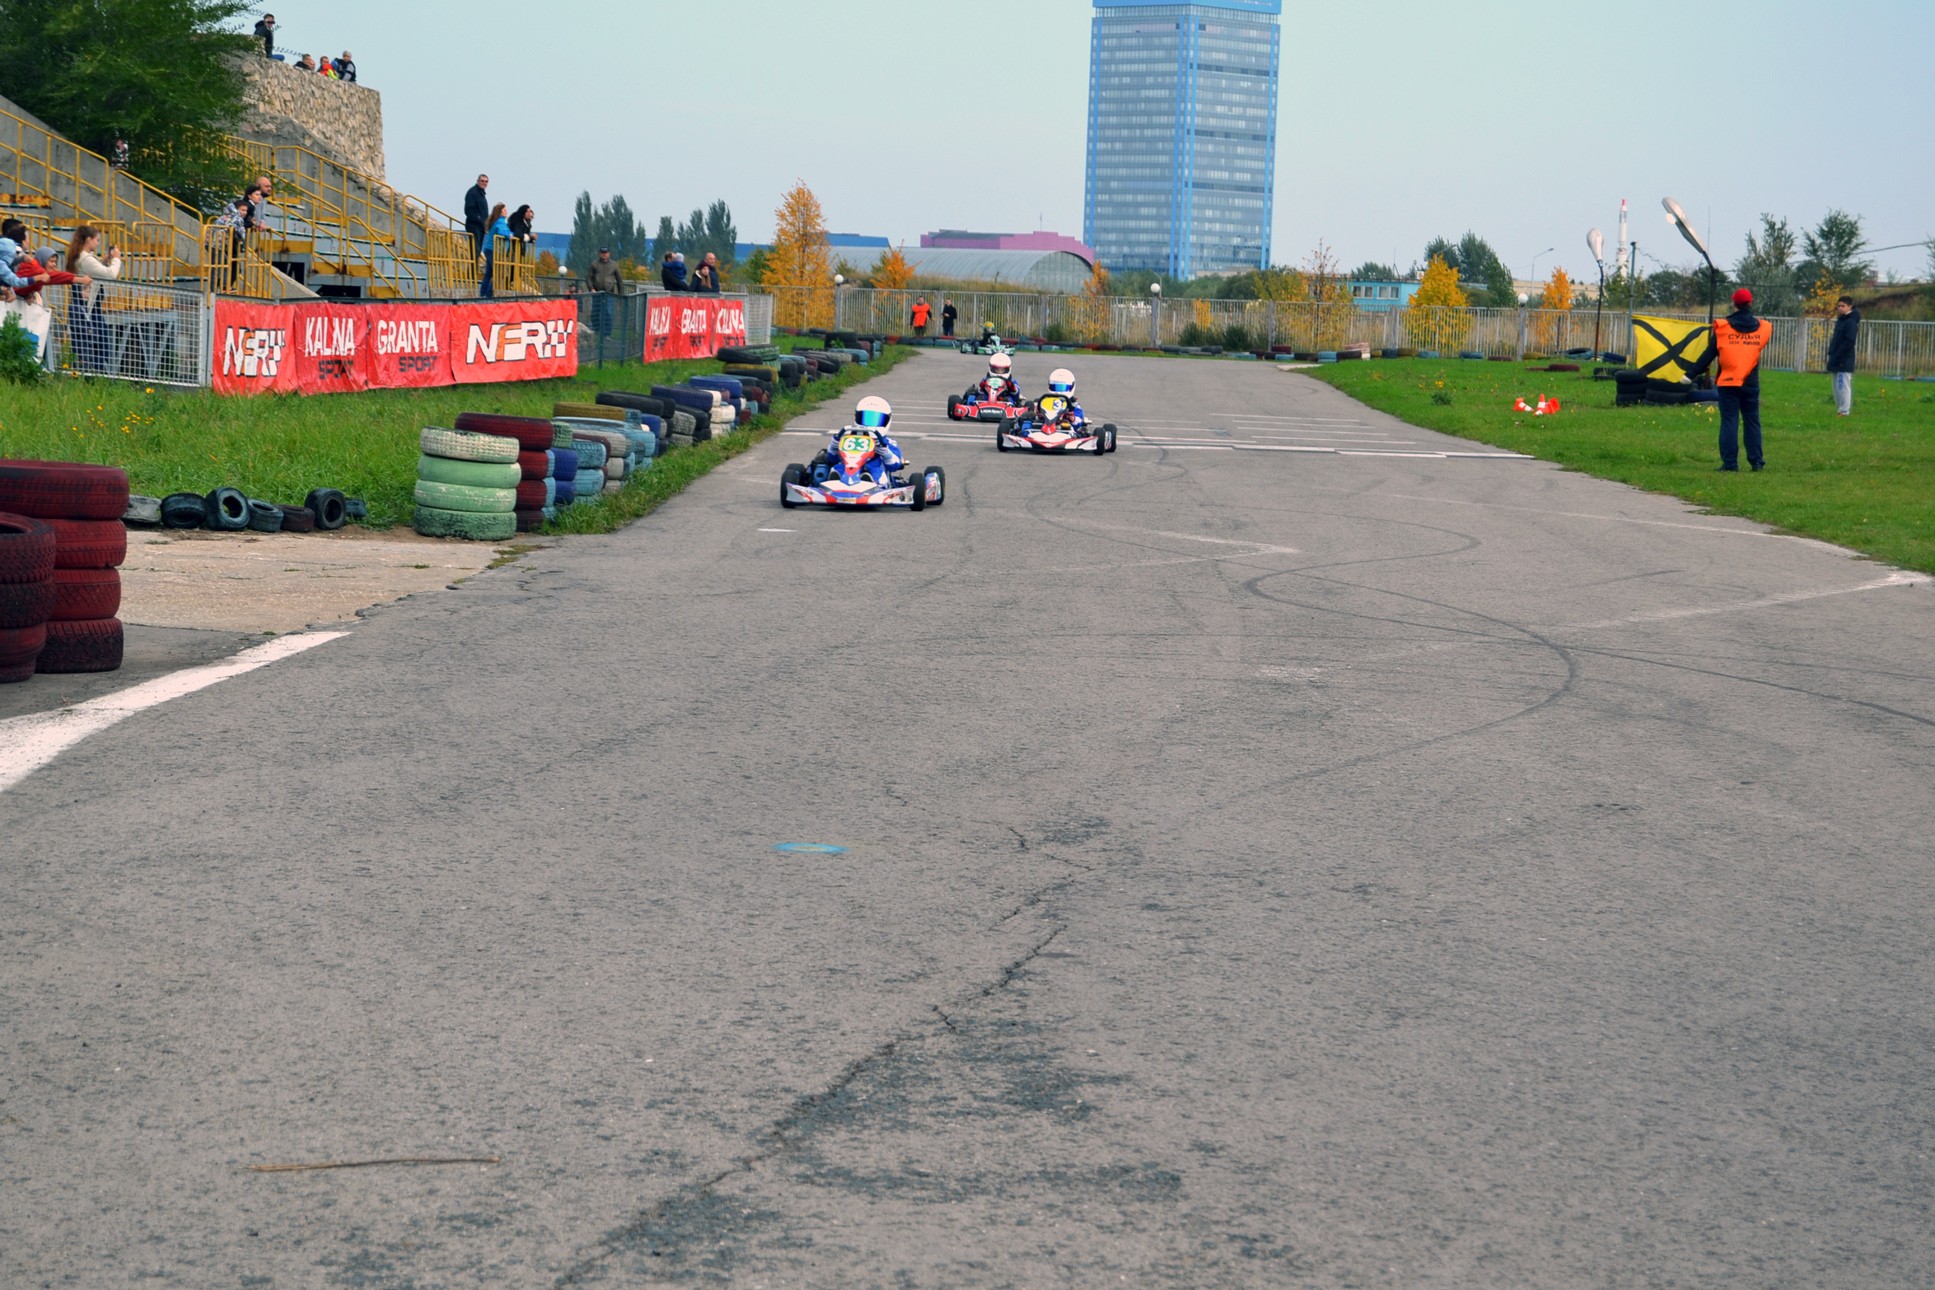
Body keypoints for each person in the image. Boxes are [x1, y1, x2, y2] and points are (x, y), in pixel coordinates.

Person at [1706, 287, 1772, 472]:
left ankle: (1730, 463)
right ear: (1750, 303)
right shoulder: (1763, 327)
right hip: (1750, 381)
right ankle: (1756, 462)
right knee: (1752, 421)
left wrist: (1689, 374)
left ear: (1733, 304)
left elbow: (1709, 354)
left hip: (1728, 381)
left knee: (1729, 421)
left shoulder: (1724, 327)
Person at [814, 396, 906, 486]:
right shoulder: (847, 439)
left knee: (878, 475)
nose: (870, 424)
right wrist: (833, 448)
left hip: (874, 468)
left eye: (876, 419)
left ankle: (870, 483)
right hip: (849, 468)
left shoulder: (888, 443)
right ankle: (836, 482)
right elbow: (832, 459)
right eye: (866, 419)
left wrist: (886, 454)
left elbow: (894, 466)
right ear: (857, 417)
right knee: (836, 469)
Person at [64, 225, 119, 370]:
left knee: (96, 344)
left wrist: (104, 261)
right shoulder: (85, 258)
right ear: (89, 240)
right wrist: (116, 259)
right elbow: (111, 274)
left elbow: (95, 271)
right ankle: (93, 375)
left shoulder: (80, 255)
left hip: (90, 306)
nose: (98, 243)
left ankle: (92, 374)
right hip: (88, 309)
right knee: (97, 346)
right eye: (97, 240)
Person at [1827, 295, 1860, 417]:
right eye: (1838, 306)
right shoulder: (1841, 320)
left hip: (1844, 359)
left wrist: (1839, 354)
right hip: (1836, 358)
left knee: (1843, 386)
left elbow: (1849, 341)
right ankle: (1840, 409)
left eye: (1843, 306)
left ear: (1850, 307)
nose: (1840, 308)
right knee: (1836, 387)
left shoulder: (1851, 322)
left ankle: (1844, 411)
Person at [586, 247, 622, 334]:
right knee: (595, 312)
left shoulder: (614, 265)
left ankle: (607, 333)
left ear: (609, 254)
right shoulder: (594, 264)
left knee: (608, 313)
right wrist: (591, 289)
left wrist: (620, 294)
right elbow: (588, 278)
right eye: (602, 253)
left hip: (609, 293)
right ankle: (595, 331)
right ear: (599, 254)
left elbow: (619, 280)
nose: (604, 254)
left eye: (605, 253)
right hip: (597, 293)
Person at [480, 202, 510, 298]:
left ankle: (482, 294)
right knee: (499, 272)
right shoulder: (500, 221)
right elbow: (502, 231)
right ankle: (488, 294)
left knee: (489, 273)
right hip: (494, 250)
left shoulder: (496, 221)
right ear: (500, 212)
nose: (506, 212)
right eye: (504, 210)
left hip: (489, 249)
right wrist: (510, 235)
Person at [464, 175, 489, 253]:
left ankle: (474, 261)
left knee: (477, 251)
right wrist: (479, 219)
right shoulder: (473, 192)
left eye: (486, 181)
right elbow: (468, 210)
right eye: (482, 181)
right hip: (474, 226)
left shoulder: (481, 194)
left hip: (481, 227)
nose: (484, 183)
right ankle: (473, 262)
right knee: (475, 250)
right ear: (478, 181)